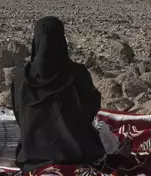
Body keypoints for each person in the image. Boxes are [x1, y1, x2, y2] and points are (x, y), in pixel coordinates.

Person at [11, 16, 105, 174]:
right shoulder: (77, 73)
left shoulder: (20, 78)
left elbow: (19, 114)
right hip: (77, 155)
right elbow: (91, 109)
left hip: (32, 157)